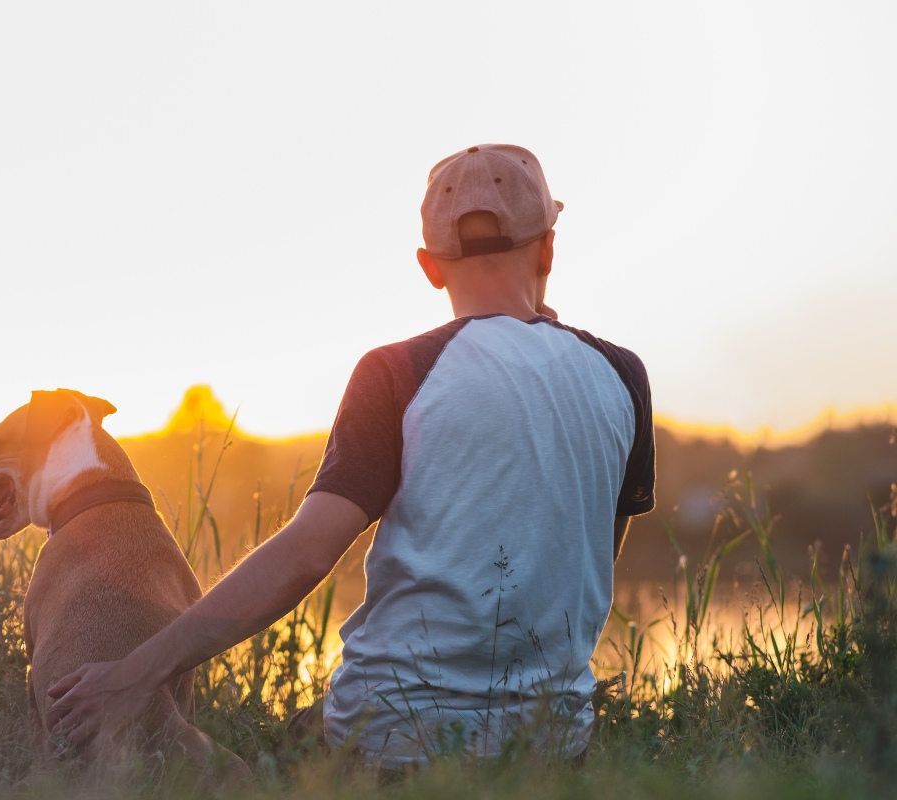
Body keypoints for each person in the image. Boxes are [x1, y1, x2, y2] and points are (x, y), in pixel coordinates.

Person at [45, 144, 655, 768]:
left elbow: (306, 554)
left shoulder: (399, 372)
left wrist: (134, 673)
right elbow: (588, 559)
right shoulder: (622, 376)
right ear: (549, 247)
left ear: (429, 266)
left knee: (250, 761)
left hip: (390, 742)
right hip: (551, 750)